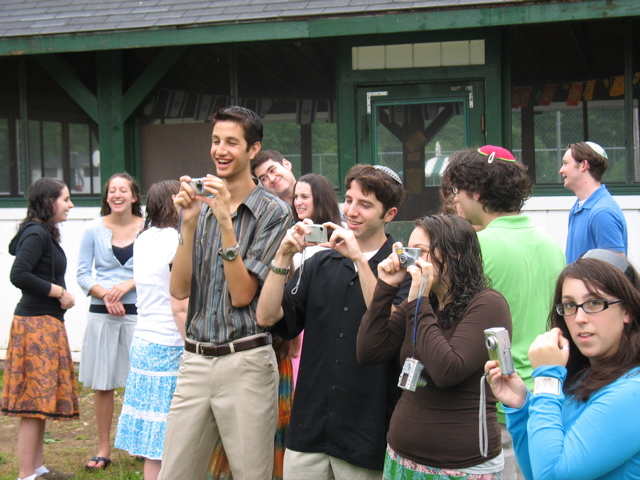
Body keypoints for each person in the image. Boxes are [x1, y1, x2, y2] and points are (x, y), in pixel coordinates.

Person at [158, 106, 293, 480]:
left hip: (246, 361)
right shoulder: (199, 208)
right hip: (195, 361)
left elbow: (242, 295)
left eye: (231, 142)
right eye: (216, 141)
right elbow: (179, 288)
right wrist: (187, 223)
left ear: (253, 149)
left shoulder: (274, 212)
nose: (220, 150)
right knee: (175, 473)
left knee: (252, 473)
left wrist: (225, 225)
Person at [257, 164, 408, 480]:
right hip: (309, 428)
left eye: (365, 205)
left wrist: (358, 260)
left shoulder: (402, 267)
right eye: (349, 200)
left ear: (389, 213)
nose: (352, 211)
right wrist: (282, 257)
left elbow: (389, 329)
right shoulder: (320, 263)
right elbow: (267, 316)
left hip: (366, 434)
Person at [357, 214, 512, 480]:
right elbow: (369, 351)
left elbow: (447, 370)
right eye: (411, 250)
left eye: (424, 252)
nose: (414, 260)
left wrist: (419, 300)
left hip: (461, 466)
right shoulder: (421, 304)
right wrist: (385, 288)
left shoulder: (488, 304)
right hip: (401, 457)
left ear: (457, 255)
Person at [444, 145, 566, 479]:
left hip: (494, 401)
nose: (455, 199)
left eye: (458, 190)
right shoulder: (551, 243)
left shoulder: (476, 249)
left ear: (477, 192)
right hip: (543, 391)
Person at [485, 251, 640, 480]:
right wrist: (522, 408)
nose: (579, 318)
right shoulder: (584, 378)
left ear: (627, 310)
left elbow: (552, 476)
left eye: (594, 302)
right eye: (569, 305)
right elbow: (536, 471)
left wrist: (546, 379)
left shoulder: (632, 390)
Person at [2, 178, 78, 480]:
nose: (70, 205)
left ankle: (37, 467)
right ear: (49, 202)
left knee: (40, 401)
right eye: (66, 199)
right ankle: (25, 474)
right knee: (33, 403)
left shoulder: (41, 232)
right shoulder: (36, 232)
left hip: (44, 325)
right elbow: (18, 274)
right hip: (35, 327)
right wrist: (58, 292)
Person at [113, 180, 188, 480]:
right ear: (174, 201)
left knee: (153, 441)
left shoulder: (142, 238)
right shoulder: (175, 241)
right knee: (171, 435)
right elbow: (178, 300)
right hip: (171, 341)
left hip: (144, 337)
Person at [77, 172, 144, 471]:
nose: (117, 195)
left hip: (138, 314)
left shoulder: (148, 229)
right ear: (106, 197)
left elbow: (159, 269)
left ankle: (138, 444)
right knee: (103, 384)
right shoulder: (92, 229)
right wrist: (106, 294)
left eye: (123, 190)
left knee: (139, 380)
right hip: (101, 315)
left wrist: (128, 285)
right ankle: (104, 448)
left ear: (134, 196)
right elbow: (82, 273)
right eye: (112, 191)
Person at [560, 141, 628, 263]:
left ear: (583, 165)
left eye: (565, 164)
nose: (561, 170)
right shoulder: (578, 208)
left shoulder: (602, 212)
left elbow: (616, 270)